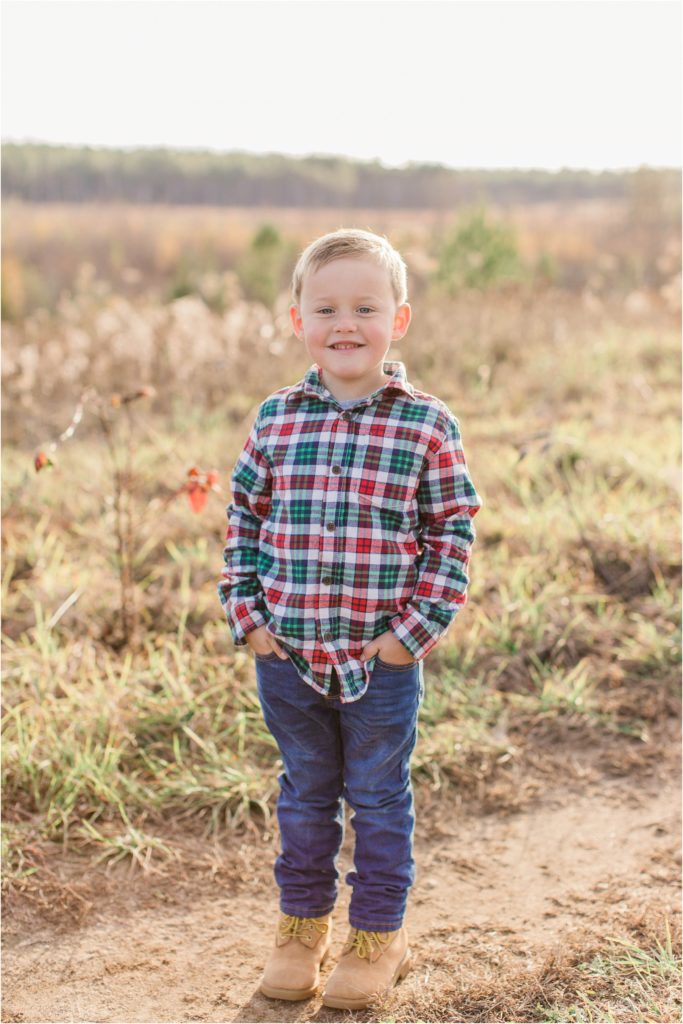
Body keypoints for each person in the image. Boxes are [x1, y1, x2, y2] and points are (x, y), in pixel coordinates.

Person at [218, 228, 482, 1010]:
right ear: (297, 318)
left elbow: (451, 533)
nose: (345, 323)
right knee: (303, 795)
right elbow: (243, 519)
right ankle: (300, 929)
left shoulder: (424, 424)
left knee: (376, 798)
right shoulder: (275, 419)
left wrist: (410, 638)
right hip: (286, 657)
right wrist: (249, 616)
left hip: (380, 663)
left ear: (397, 320)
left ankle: (377, 938)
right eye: (325, 307)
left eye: (365, 307)